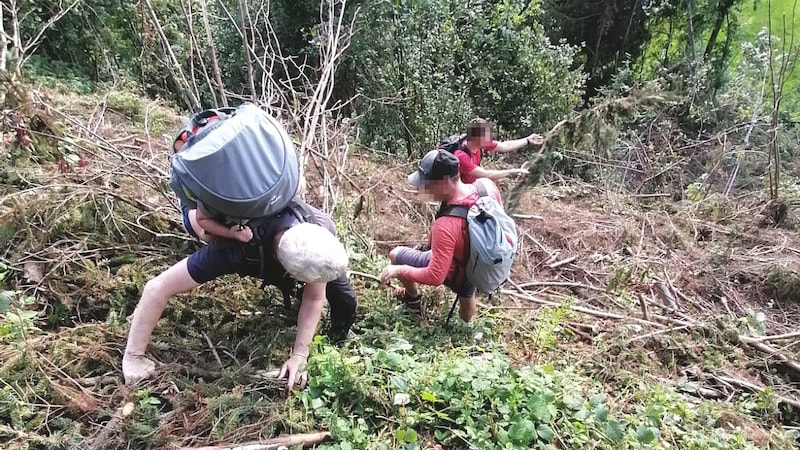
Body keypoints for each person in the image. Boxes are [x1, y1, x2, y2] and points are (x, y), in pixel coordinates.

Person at [122, 202, 357, 391]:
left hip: (302, 248)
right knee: (201, 228)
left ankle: (336, 339)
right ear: (289, 274)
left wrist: (300, 355)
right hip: (225, 230)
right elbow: (156, 287)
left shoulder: (318, 228)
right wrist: (134, 357)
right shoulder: (235, 250)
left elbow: (314, 298)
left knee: (346, 301)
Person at [379, 149, 503, 322]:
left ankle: (413, 300)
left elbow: (435, 276)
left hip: (456, 267)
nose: (423, 189)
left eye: (427, 185)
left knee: (396, 255)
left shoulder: (446, 225)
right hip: (478, 262)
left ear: (444, 182)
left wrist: (398, 270)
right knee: (467, 297)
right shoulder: (486, 186)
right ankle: (465, 330)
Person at [454, 117, 544, 184]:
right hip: (458, 193)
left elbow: (505, 146)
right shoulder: (461, 155)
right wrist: (511, 172)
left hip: (471, 186)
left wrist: (527, 140)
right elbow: (485, 174)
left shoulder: (479, 144)